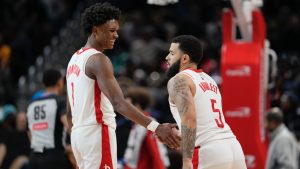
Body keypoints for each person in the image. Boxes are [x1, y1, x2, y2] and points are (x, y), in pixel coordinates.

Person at [65, 3, 180, 169]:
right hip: (97, 132)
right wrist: (157, 127)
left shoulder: (73, 60)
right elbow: (118, 102)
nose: (116, 35)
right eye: (111, 30)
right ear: (96, 30)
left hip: (78, 136)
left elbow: (69, 113)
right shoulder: (98, 59)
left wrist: (78, 139)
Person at [165, 35, 247, 169]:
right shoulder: (209, 80)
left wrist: (186, 160)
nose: (167, 57)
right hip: (233, 147)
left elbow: (189, 119)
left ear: (184, 58)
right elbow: (206, 121)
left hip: (207, 151)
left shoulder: (179, 80)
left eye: (172, 53)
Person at [26, 69, 72, 169]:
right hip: (54, 158)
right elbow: (68, 125)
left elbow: (30, 134)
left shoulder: (31, 104)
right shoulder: (59, 101)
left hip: (34, 158)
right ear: (60, 82)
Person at [123, 87, 170, 169]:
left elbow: (156, 153)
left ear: (137, 106)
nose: (123, 110)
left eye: (127, 106)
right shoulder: (136, 125)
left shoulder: (149, 125)